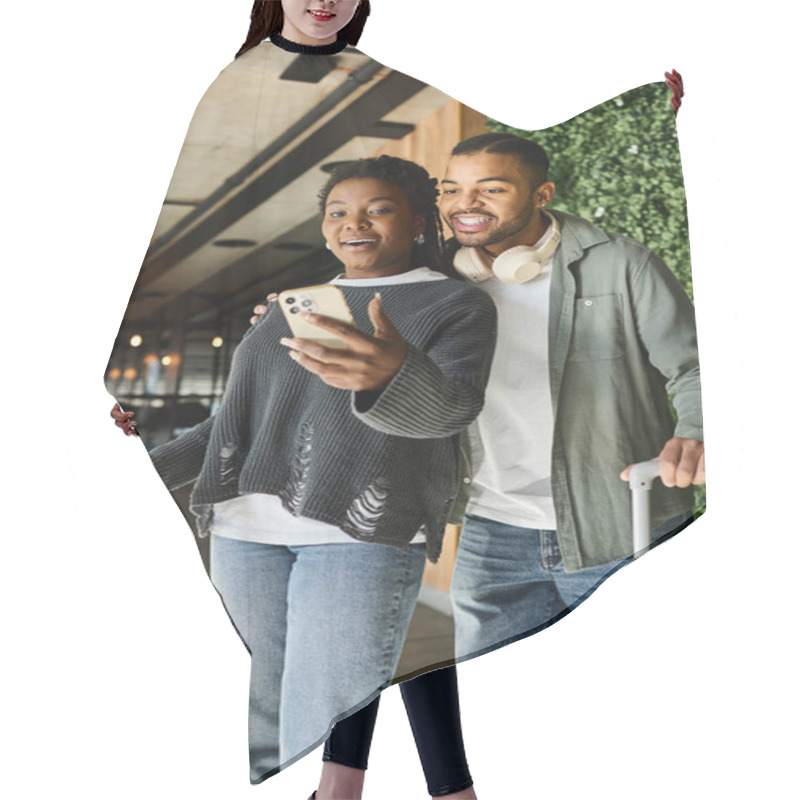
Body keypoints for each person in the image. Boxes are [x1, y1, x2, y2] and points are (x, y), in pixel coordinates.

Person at [302, 130, 704, 798]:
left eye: (492, 188)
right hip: (493, 533)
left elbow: (694, 365)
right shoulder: (433, 284)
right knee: (505, 720)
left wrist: (696, 430)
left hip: (615, 527)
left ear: (541, 194)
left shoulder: (620, 265)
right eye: (453, 190)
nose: (468, 204)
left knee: (624, 717)